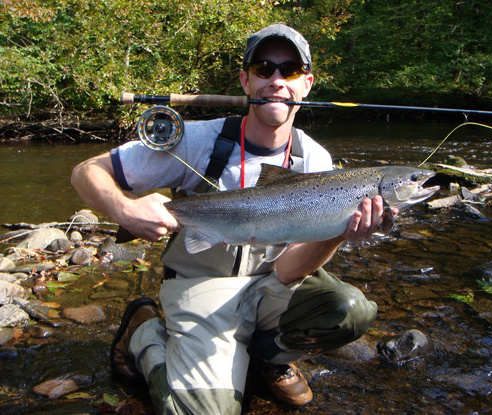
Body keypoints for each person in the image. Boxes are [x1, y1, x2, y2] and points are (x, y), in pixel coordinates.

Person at [71, 24, 389, 415]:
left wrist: (338, 233)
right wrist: (126, 210)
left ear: (306, 83)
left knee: (351, 309)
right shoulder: (197, 140)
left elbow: (289, 271)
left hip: (271, 286)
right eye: (263, 68)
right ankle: (144, 333)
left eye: (289, 70)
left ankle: (264, 357)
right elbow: (87, 170)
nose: (276, 80)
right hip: (201, 285)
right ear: (245, 79)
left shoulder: (316, 161)